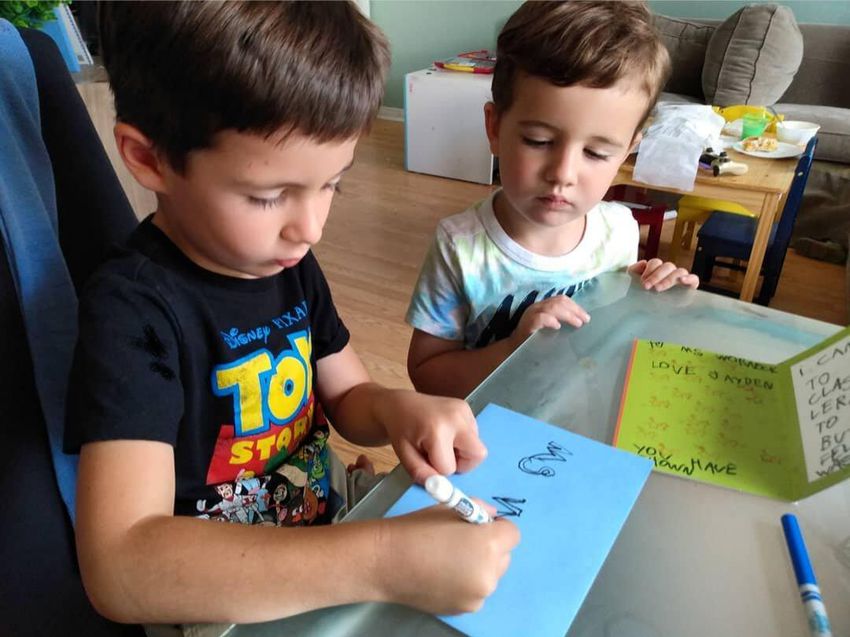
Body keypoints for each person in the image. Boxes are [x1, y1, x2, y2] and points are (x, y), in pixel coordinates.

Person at [64, 1, 518, 627]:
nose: (311, 227)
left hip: (326, 521)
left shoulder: (285, 263)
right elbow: (121, 565)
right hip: (218, 600)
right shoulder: (133, 310)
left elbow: (348, 392)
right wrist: (382, 560)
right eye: (268, 195)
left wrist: (391, 406)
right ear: (150, 160)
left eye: (334, 184)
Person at [406, 0, 699, 399]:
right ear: (494, 127)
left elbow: (614, 345)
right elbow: (427, 373)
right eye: (538, 141)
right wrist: (514, 349)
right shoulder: (460, 248)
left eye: (596, 153)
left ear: (629, 150)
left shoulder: (619, 233)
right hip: (487, 437)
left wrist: (652, 301)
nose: (563, 173)